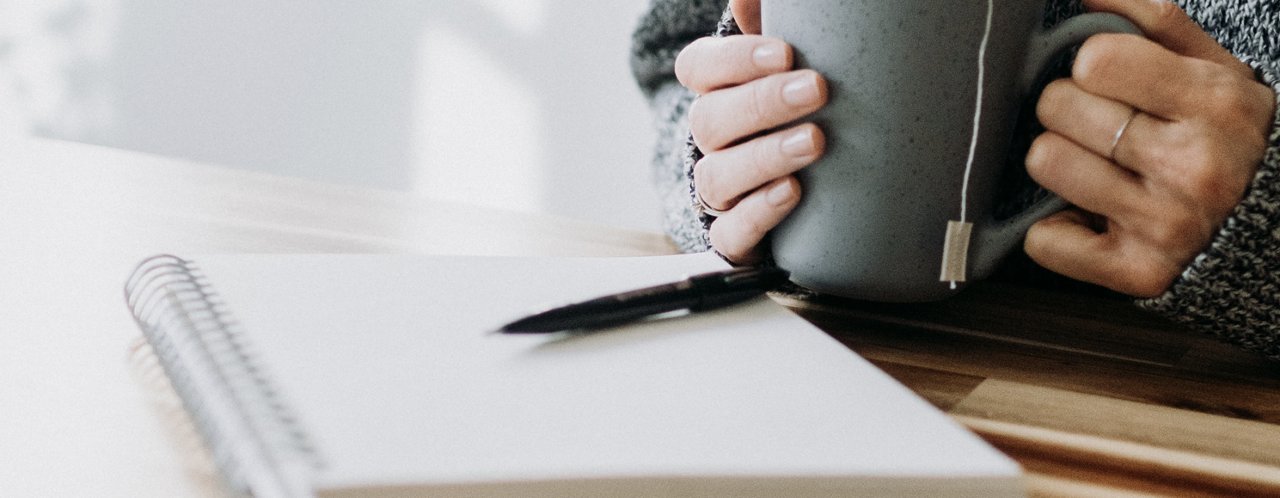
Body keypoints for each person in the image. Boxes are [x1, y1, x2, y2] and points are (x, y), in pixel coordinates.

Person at [630, 0, 1280, 360]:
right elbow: (676, 52)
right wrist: (719, 167)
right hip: (798, 362)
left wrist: (1266, 236)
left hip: (1173, 421)